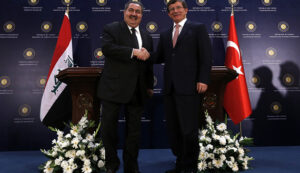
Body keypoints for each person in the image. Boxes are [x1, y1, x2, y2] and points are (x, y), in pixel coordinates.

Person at [154, 0, 212, 172]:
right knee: (174, 129)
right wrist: (140, 53)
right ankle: (180, 164)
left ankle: (190, 166)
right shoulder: (165, 34)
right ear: (168, 14)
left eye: (178, 7)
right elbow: (158, 57)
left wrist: (203, 79)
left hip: (190, 88)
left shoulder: (198, 28)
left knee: (189, 130)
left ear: (186, 10)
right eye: (171, 9)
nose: (175, 11)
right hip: (170, 89)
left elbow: (206, 56)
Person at [97, 1, 153, 173]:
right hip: (113, 89)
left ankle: (131, 166)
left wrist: (149, 85)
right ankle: (111, 164)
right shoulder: (112, 28)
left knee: (134, 133)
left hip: (137, 90)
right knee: (109, 130)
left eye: (138, 12)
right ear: (124, 12)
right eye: (131, 10)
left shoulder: (147, 35)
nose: (134, 14)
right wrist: (134, 52)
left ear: (142, 15)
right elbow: (107, 48)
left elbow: (147, 64)